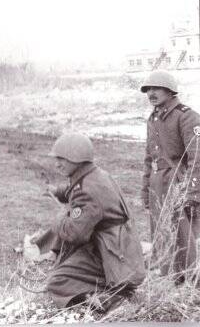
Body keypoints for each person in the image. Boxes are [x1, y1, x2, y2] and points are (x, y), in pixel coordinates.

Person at [44, 132, 145, 312]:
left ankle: (112, 300)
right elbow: (73, 189)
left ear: (78, 159)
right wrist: (57, 191)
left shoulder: (87, 191)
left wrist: (59, 218)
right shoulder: (95, 175)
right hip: (116, 246)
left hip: (111, 257)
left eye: (62, 159)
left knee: (57, 282)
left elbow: (74, 234)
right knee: (64, 267)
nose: (57, 164)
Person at [140, 70, 200, 284]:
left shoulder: (186, 116)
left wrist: (191, 191)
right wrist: (146, 187)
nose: (151, 93)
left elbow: (197, 156)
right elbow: (150, 156)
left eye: (156, 88)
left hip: (177, 182)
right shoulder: (154, 117)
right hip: (158, 184)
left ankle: (191, 281)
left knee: (183, 234)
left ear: (169, 90)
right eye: (148, 90)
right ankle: (170, 278)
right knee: (161, 231)